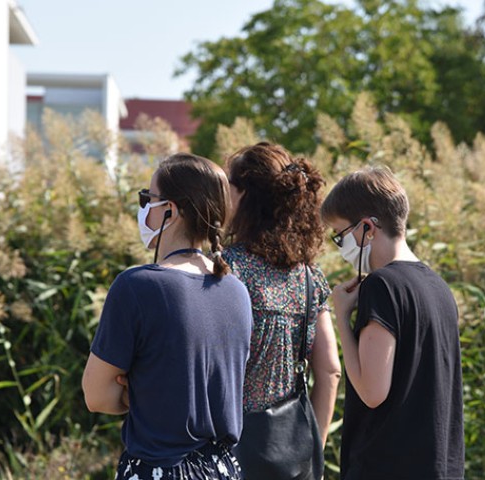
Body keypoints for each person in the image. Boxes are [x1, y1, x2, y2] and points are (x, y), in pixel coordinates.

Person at [81, 153, 253, 480]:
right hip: (223, 469)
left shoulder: (137, 287)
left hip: (158, 468)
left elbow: (96, 395)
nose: (143, 207)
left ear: (170, 211)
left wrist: (141, 391)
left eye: (148, 199)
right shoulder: (237, 292)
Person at [321, 166, 464, 480]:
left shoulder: (382, 286)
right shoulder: (438, 286)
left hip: (387, 465)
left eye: (341, 235)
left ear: (368, 227)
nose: (341, 247)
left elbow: (373, 391)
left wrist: (342, 318)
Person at [223, 142, 341, 448]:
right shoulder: (309, 277)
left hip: (229, 449)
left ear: (243, 196)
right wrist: (312, 448)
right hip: (289, 453)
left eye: (227, 186)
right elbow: (330, 370)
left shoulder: (225, 269)